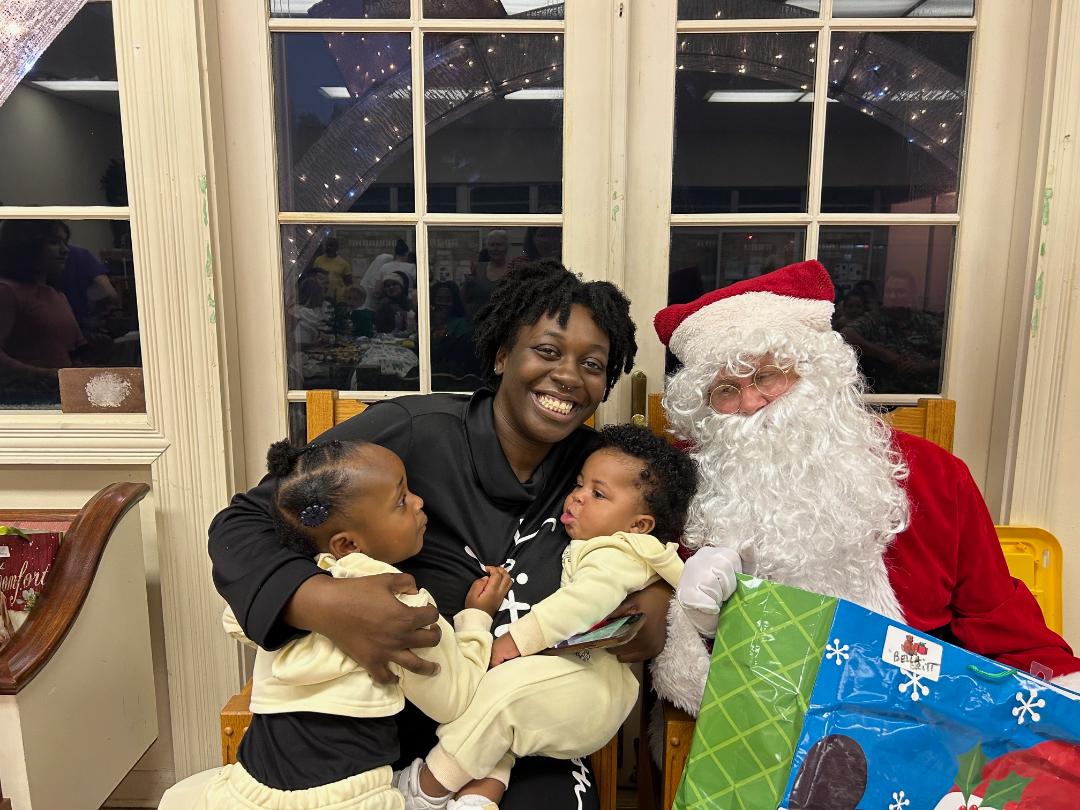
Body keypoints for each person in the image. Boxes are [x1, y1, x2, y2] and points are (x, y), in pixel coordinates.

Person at [208, 260, 673, 810]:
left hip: (519, 734)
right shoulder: (410, 433)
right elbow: (247, 520)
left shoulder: (599, 474)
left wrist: (655, 602)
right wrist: (322, 602)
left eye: (592, 364)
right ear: (502, 355)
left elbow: (650, 554)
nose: (569, 376)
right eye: (547, 351)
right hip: (377, 729)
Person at [648, 259, 1080, 715]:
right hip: (752, 712)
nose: (751, 402)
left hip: (910, 714)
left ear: (816, 372)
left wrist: (1060, 697)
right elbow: (653, 625)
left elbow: (993, 614)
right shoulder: (678, 480)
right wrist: (697, 623)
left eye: (767, 375)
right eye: (726, 390)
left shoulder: (933, 474)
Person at [183, 438, 510, 808]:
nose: (419, 502)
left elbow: (233, 621)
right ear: (349, 545)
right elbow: (455, 700)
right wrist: (477, 619)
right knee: (495, 755)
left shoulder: (285, 598)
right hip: (351, 799)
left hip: (249, 790)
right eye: (401, 500)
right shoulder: (399, 608)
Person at [399, 425, 693, 810]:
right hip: (574, 683)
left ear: (638, 525)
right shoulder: (608, 547)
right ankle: (476, 799)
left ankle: (427, 788)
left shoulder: (616, 552)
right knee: (500, 728)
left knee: (502, 698)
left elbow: (584, 603)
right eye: (580, 484)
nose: (578, 496)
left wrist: (514, 641)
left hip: (588, 688)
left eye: (599, 494)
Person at [0, 219, 85, 404]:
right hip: (26, 399)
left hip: (63, 394)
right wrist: (45, 375)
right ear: (27, 245)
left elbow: (70, 352)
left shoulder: (57, 295)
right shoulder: (7, 291)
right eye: (54, 242)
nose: (65, 250)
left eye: (65, 242)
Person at [842, 271, 943, 394]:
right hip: (885, 394)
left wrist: (924, 367)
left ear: (911, 295)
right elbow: (846, 334)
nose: (893, 296)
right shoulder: (874, 319)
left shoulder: (925, 322)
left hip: (924, 393)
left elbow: (949, 355)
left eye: (899, 292)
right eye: (889, 292)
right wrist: (886, 355)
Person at [315, 236, 352, 303]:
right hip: (321, 296)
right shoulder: (318, 260)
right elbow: (313, 277)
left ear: (336, 248)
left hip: (337, 298)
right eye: (327, 245)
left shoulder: (343, 263)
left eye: (331, 245)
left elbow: (349, 283)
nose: (328, 247)